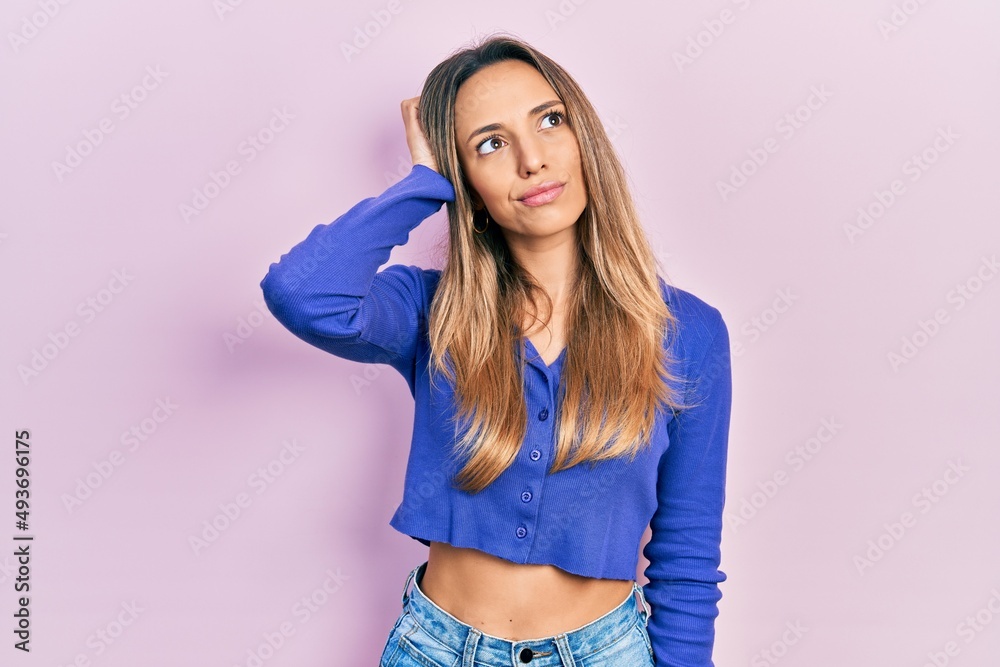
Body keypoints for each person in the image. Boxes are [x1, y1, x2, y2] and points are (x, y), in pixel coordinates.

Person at [260, 33, 732, 667]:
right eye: (490, 144)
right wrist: (423, 181)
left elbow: (688, 559)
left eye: (550, 122)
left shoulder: (688, 331)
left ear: (583, 137)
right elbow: (302, 293)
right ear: (467, 180)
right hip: (433, 648)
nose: (531, 160)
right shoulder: (434, 311)